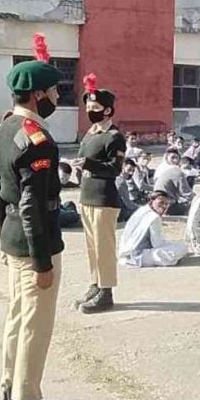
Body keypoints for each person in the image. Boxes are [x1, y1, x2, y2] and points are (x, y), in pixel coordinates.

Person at [0, 33, 64, 400]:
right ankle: (26, 395)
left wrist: (1, 236)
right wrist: (43, 262)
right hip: (36, 244)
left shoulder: (3, 129)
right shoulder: (38, 141)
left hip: (12, 238)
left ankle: (7, 385)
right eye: (53, 92)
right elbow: (33, 206)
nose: (57, 98)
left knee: (17, 318)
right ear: (38, 95)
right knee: (36, 327)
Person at [72, 73, 126, 314]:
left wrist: (88, 165)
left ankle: (106, 292)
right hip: (87, 195)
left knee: (104, 247)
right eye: (88, 107)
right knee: (92, 246)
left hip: (104, 197)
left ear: (108, 110)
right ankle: (95, 283)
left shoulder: (114, 137)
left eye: (95, 108)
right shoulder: (90, 133)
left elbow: (114, 169)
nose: (90, 111)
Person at [118, 190, 189, 267]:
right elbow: (157, 243)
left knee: (177, 245)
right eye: (161, 202)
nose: (164, 206)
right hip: (139, 256)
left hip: (126, 252)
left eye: (166, 204)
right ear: (152, 201)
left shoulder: (141, 210)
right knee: (182, 247)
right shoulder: (154, 217)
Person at [153, 150, 195, 216]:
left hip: (156, 204)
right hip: (166, 206)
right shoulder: (176, 171)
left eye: (176, 157)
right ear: (167, 159)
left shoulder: (162, 168)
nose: (175, 160)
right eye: (172, 158)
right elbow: (187, 194)